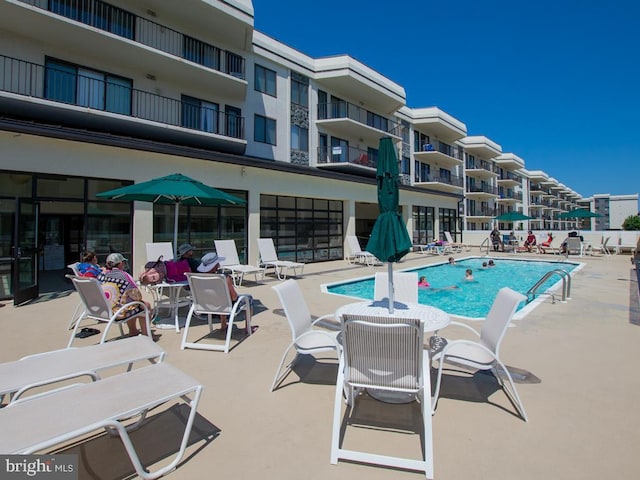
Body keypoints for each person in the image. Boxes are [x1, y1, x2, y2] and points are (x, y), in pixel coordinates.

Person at [98, 253, 152, 337]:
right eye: (123, 262)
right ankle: (146, 335)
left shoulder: (103, 275)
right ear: (120, 264)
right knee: (144, 305)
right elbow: (136, 295)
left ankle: (133, 331)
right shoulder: (124, 276)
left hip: (106, 309)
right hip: (118, 312)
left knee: (130, 302)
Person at [197, 252, 245, 331]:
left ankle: (223, 325)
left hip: (205, 306)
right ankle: (247, 329)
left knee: (221, 299)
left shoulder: (198, 278)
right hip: (223, 306)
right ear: (216, 265)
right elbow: (234, 297)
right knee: (247, 299)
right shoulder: (224, 278)